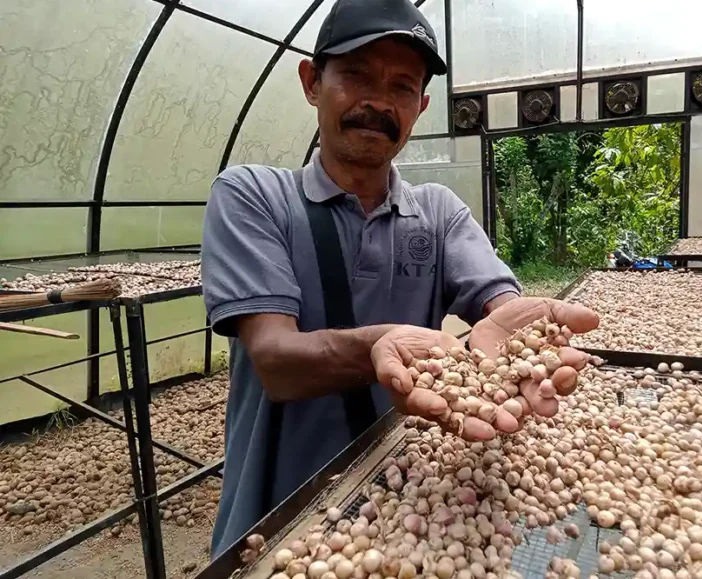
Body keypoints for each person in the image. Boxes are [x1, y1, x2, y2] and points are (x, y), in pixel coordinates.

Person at [200, 0, 599, 560]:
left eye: (402, 87)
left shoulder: (437, 213)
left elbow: (498, 303)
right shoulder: (253, 197)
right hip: (279, 520)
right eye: (357, 75)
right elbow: (275, 361)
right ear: (313, 82)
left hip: (404, 509)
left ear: (421, 105)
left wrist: (517, 337)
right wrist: (377, 345)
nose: (378, 102)